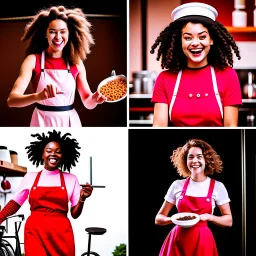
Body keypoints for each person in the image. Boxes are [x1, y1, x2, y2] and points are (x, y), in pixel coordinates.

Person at [7, 5, 106, 127]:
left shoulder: (76, 62)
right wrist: (38, 96)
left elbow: (87, 102)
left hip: (70, 122)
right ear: (45, 34)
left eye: (63, 32)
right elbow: (12, 101)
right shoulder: (33, 60)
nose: (58, 37)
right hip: (41, 121)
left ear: (69, 34)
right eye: (52, 32)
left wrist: (95, 99)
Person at [0, 130, 93, 255]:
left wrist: (82, 198)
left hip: (61, 234)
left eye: (58, 151)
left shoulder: (71, 179)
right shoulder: (30, 177)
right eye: (49, 151)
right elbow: (15, 203)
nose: (53, 154)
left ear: (63, 155)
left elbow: (75, 214)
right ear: (42, 154)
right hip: (34, 231)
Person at [150, 2, 242, 127]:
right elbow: (159, 127)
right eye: (188, 38)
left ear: (212, 39)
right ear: (179, 41)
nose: (195, 43)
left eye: (202, 37)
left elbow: (231, 127)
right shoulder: (164, 79)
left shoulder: (228, 76)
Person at [155, 138, 232, 256]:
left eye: (199, 156)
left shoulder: (218, 187)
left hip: (203, 240)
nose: (195, 160)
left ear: (207, 160)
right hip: (177, 239)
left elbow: (228, 221)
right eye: (190, 157)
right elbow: (158, 218)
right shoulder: (177, 185)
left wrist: (209, 217)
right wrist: (173, 219)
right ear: (185, 161)